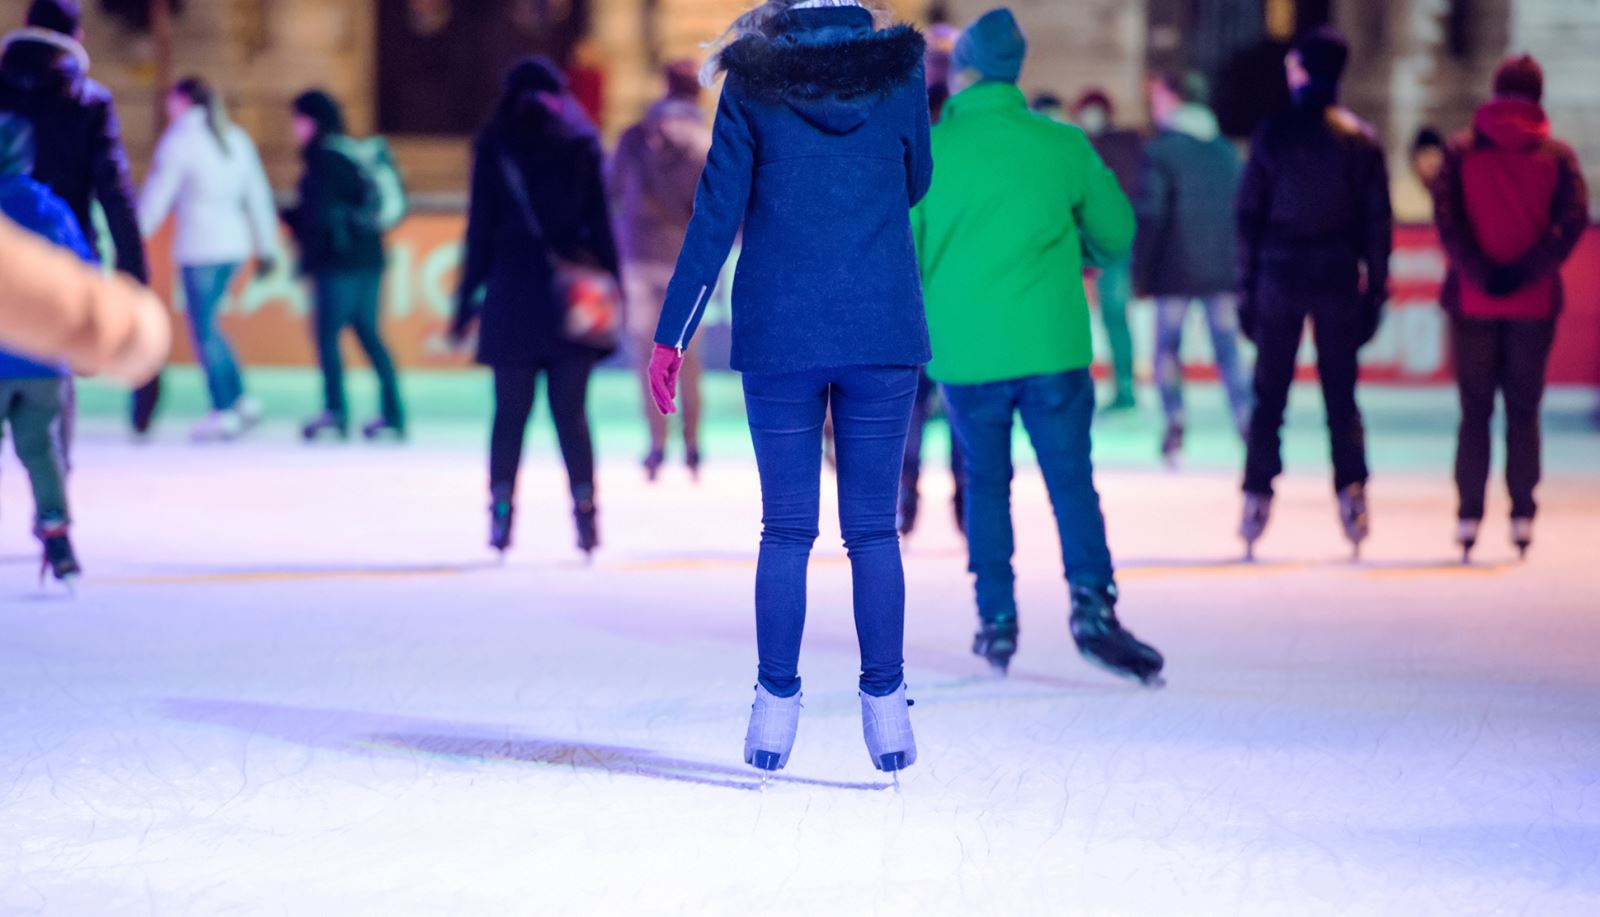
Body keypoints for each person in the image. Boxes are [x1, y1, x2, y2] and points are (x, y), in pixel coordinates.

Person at [646, 0, 931, 776]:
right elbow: (917, 179)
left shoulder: (752, 80)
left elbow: (714, 216)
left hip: (781, 331)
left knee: (787, 529)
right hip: (880, 325)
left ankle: (775, 707)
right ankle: (886, 711)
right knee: (872, 530)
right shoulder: (901, 74)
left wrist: (673, 333)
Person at [914, 8, 1165, 685]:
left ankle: (995, 618)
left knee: (986, 484)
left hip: (967, 355)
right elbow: (1115, 234)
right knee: (1070, 481)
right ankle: (1092, 605)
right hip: (1052, 349)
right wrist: (1072, 247)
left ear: (963, 71)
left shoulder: (931, 150)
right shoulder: (1062, 145)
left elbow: (904, 254)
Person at [451, 57, 619, 557]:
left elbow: (479, 231)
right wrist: (615, 285)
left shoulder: (495, 144)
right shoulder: (581, 143)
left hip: (512, 295)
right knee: (572, 414)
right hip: (570, 296)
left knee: (509, 414)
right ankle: (586, 514)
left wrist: (464, 306)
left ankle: (501, 511)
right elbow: (602, 226)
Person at [1236, 27, 1391, 560]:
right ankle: (1352, 494)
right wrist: (1377, 290)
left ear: (1302, 69)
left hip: (1280, 275)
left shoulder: (1273, 134)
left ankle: (1256, 496)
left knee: (1269, 398)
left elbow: (1248, 218)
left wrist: (1246, 291)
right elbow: (1377, 224)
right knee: (1340, 397)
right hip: (1335, 276)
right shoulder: (1360, 139)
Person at [1432, 55, 1587, 562]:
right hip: (1533, 303)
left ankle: (1468, 515)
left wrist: (1480, 272)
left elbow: (1447, 221)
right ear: (1538, 97)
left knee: (1474, 411)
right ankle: (1522, 514)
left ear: (1496, 93)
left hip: (1473, 302)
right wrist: (1523, 273)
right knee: (1523, 411)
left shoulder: (1460, 152)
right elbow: (1570, 223)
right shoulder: (1558, 158)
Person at [0, 0, 153, 433]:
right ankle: (53, 483)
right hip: (62, 254)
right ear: (78, 39)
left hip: (5, 250)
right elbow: (115, 191)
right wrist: (134, 282)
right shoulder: (90, 101)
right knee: (55, 367)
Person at [138, 76, 278, 442]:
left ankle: (225, 407)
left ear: (183, 102)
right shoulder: (234, 138)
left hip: (201, 248)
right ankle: (239, 399)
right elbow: (258, 195)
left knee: (204, 329)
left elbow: (158, 195)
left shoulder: (181, 142)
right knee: (210, 325)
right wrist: (266, 246)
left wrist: (133, 233)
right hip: (233, 246)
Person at [1135, 70, 1251, 465]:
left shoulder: (1163, 151)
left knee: (1167, 348)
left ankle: (1175, 422)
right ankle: (1247, 420)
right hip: (1221, 269)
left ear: (1173, 98)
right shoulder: (1224, 152)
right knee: (1228, 351)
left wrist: (1142, 269)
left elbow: (1152, 213)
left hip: (1175, 267)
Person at [0, 113, 94, 583]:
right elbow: (84, 274)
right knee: (42, 449)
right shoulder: (49, 208)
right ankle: (56, 534)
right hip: (42, 361)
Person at [608, 59, 710, 482]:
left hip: (638, 256)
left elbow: (611, 189)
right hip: (685, 263)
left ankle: (655, 442)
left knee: (645, 354)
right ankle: (691, 444)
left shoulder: (634, 137)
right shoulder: (707, 141)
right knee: (688, 354)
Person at [286, 89, 406, 442]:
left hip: (340, 262)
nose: (294, 128)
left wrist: (297, 226)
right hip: (369, 258)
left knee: (327, 334)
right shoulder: (349, 153)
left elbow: (321, 216)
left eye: (298, 119)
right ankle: (393, 413)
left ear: (312, 121)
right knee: (368, 333)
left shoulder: (324, 159)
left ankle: (335, 411)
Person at [899, 20, 966, 539]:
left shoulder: (910, 125)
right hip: (931, 291)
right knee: (921, 402)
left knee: (930, 401)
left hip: (940, 290)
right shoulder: (919, 127)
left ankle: (952, 498)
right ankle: (912, 495)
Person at [1072, 89, 1143, 413]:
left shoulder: (1116, 146)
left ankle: (1124, 388)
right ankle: (1117, 388)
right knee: (1098, 317)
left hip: (1111, 247)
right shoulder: (1088, 144)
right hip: (1096, 245)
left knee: (1114, 316)